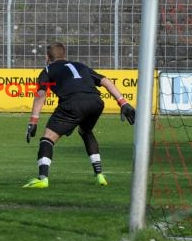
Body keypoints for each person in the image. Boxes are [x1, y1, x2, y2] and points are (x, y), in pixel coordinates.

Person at [23, 42, 136, 188]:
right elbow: (105, 81)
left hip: (73, 103)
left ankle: (42, 178)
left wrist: (33, 121)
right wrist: (123, 103)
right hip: (96, 102)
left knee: (47, 139)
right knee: (86, 131)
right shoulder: (81, 65)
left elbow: (41, 95)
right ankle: (100, 175)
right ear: (65, 55)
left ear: (47, 57)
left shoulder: (47, 69)